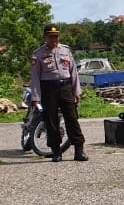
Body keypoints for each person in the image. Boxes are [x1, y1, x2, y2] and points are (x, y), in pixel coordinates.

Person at [29, 23, 86, 162]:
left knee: (72, 119)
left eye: (56, 36)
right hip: (48, 89)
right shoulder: (38, 54)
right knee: (51, 121)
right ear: (45, 37)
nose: (54, 39)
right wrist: (36, 98)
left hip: (66, 87)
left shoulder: (66, 51)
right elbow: (35, 78)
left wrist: (77, 91)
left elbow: (73, 72)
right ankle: (56, 151)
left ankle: (79, 150)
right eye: (51, 36)